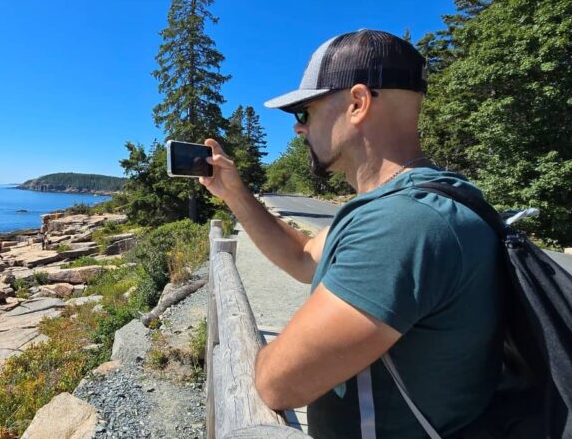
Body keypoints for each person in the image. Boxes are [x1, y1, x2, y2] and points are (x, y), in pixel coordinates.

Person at [198, 29, 502, 438]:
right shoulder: (421, 199)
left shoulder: (403, 224)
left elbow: (279, 382)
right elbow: (304, 257)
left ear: (357, 103)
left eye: (304, 112)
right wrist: (236, 194)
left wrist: (250, 354)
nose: (298, 129)